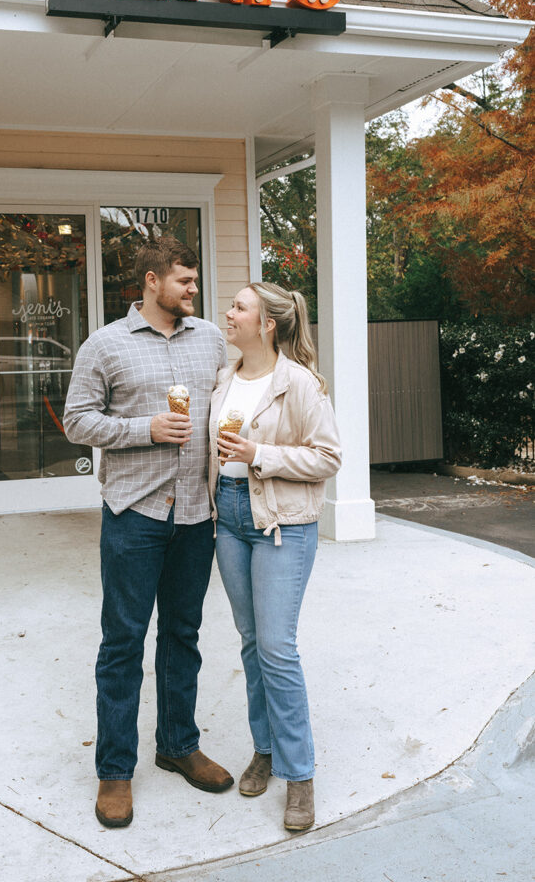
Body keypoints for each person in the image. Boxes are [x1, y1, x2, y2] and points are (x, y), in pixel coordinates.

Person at [64, 236, 233, 829]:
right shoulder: (104, 345)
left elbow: (243, 391)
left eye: (194, 281)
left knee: (183, 635)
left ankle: (177, 745)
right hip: (134, 515)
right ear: (152, 281)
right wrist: (147, 429)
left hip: (196, 515)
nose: (193, 289)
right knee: (122, 644)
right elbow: (77, 420)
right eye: (184, 280)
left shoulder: (212, 339)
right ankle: (115, 769)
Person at [209, 281, 341, 832]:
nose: (228, 313)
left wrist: (258, 453)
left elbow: (328, 457)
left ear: (266, 323)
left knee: (277, 648)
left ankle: (299, 774)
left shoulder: (300, 384)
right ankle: (263, 749)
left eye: (239, 307)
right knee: (249, 642)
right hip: (230, 519)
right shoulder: (223, 378)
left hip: (283, 522)